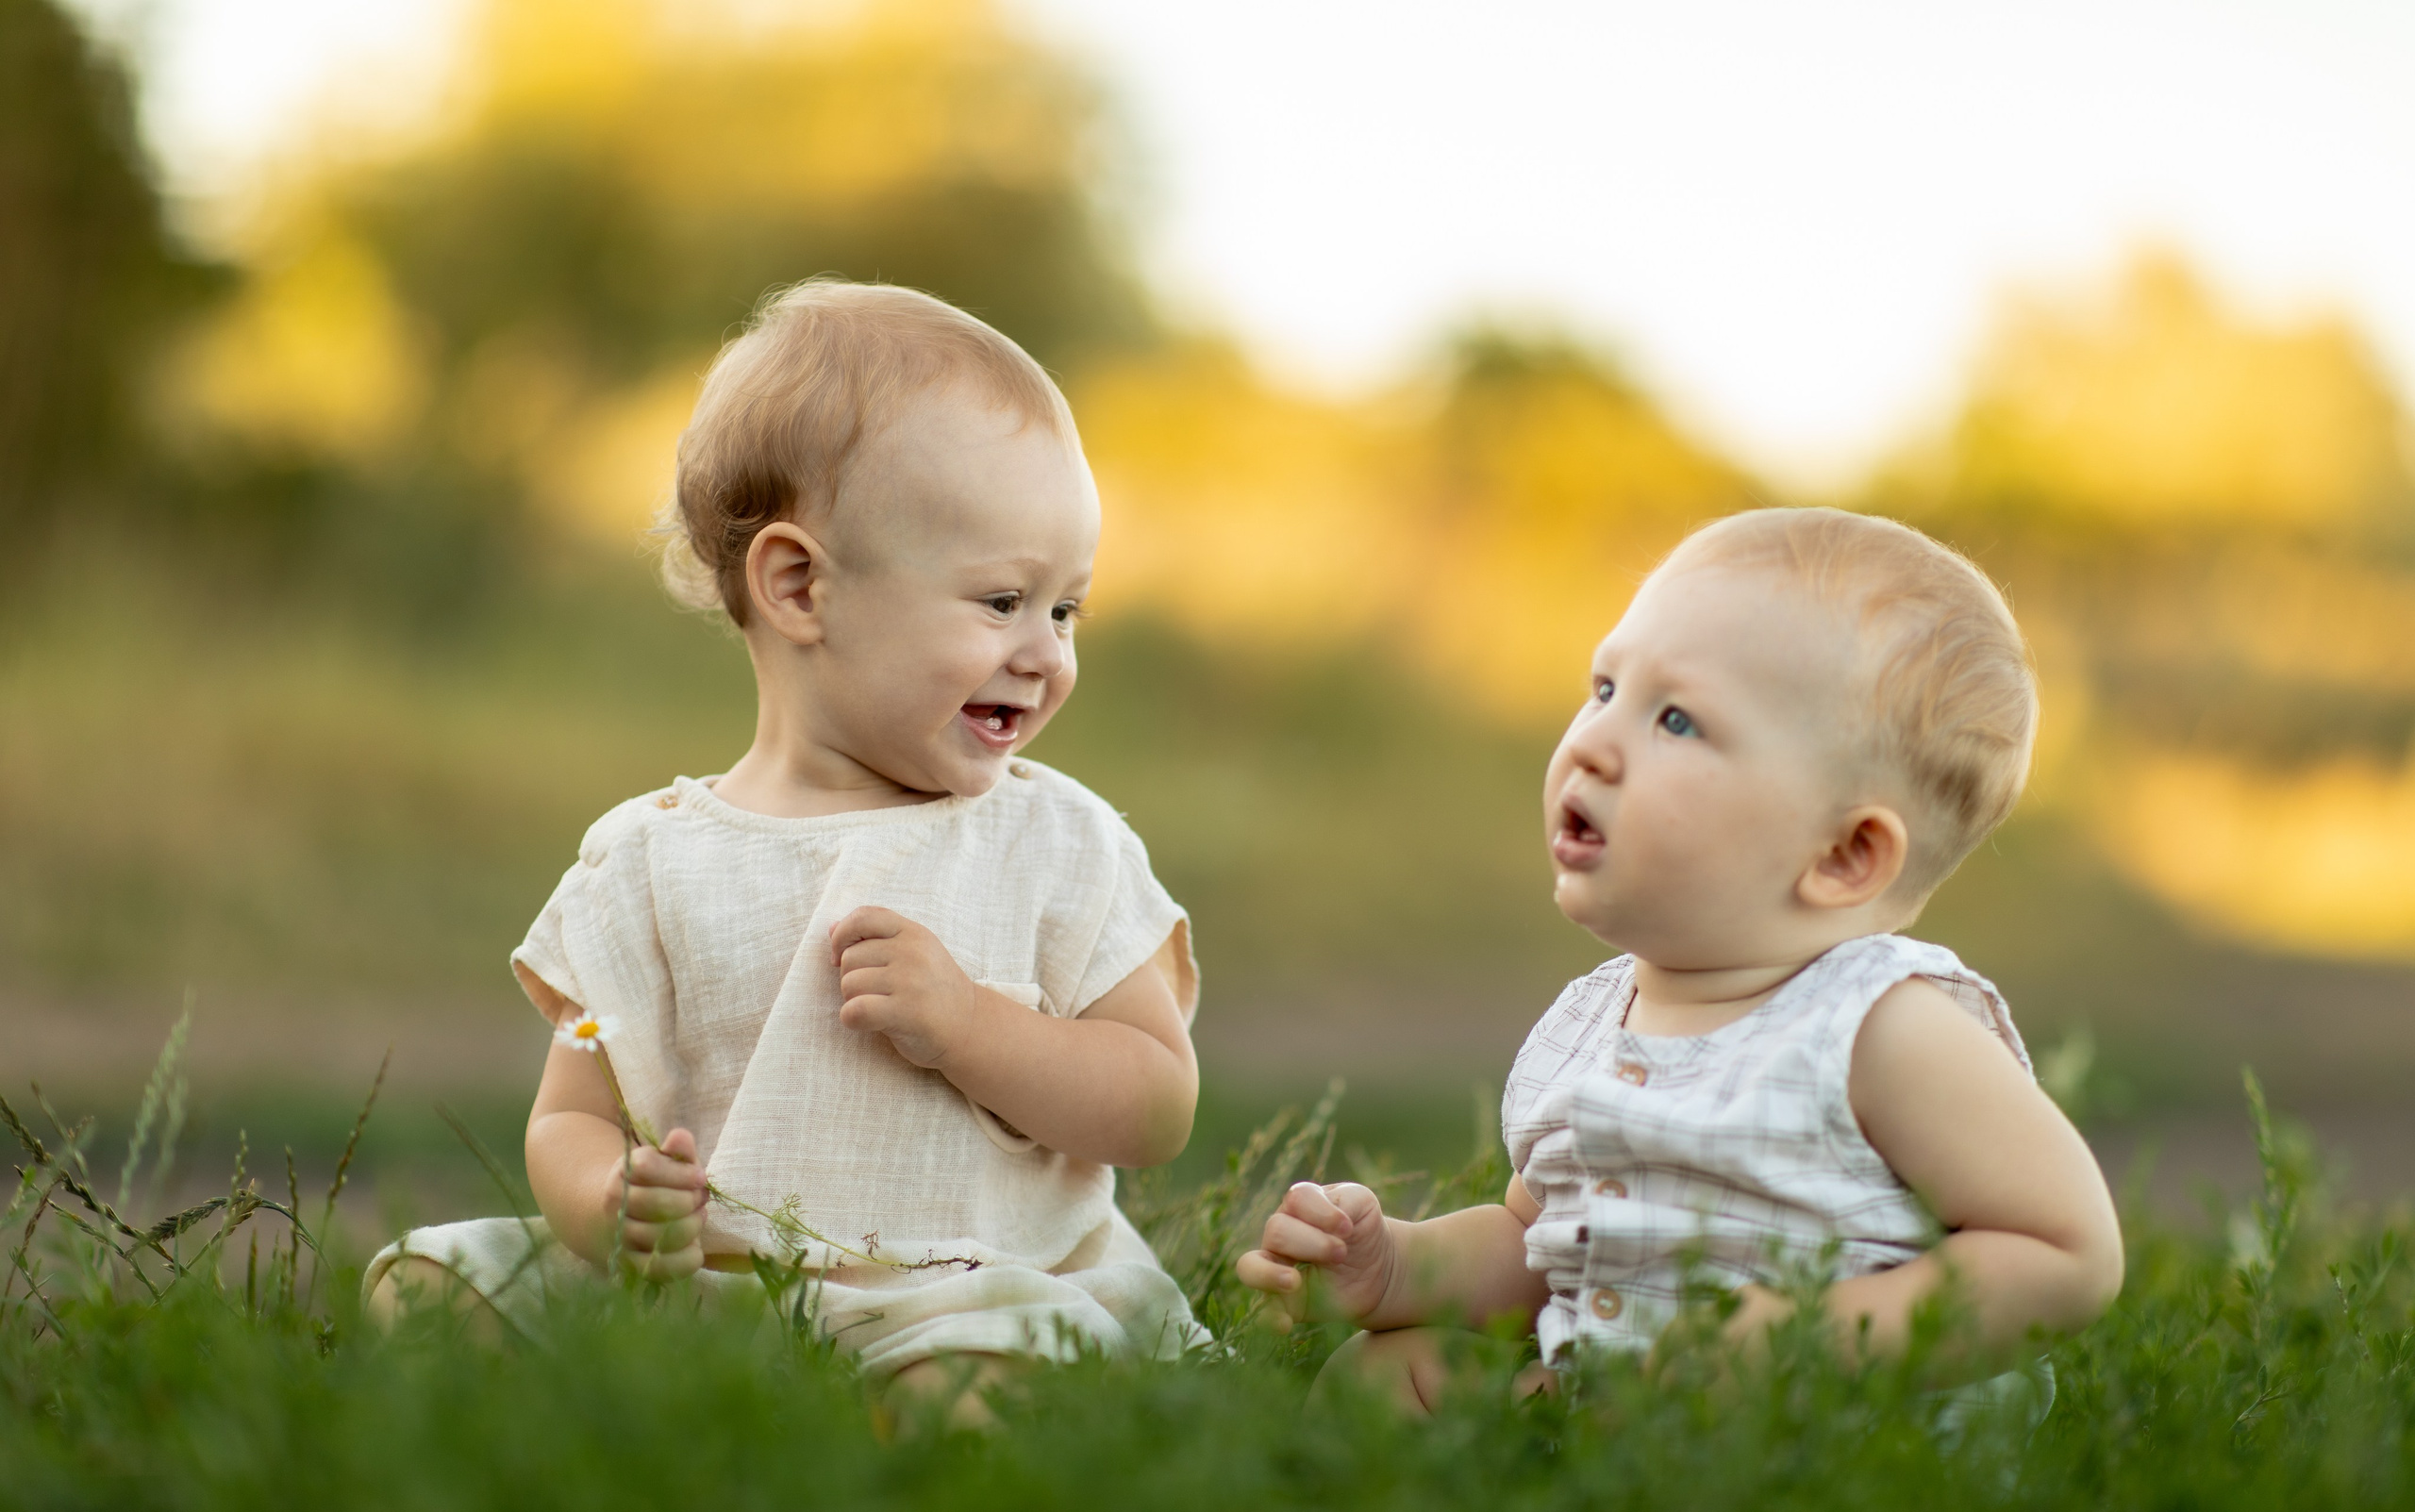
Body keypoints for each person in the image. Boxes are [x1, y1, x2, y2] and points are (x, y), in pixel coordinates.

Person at [367, 281, 1208, 1395]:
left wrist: (971, 1026)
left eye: (1066, 611)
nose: (1045, 653)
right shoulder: (647, 864)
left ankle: (873, 1429)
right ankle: (689, 1401)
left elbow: (1153, 1102)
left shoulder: (1055, 844)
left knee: (990, 1377)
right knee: (428, 1282)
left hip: (968, 1293)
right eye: (1002, 601)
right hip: (711, 1294)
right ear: (799, 584)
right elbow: (572, 1112)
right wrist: (607, 1201)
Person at [1237, 507, 2124, 1413]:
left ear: (1842, 855)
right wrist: (1397, 1268)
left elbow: (2064, 1249)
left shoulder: (1879, 1026)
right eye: (1603, 688)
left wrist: (1811, 1340)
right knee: (1385, 1376)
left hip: (1837, 1426)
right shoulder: (1592, 1023)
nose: (1591, 739)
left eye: (1674, 718)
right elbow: (1540, 1244)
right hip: (1621, 1403)